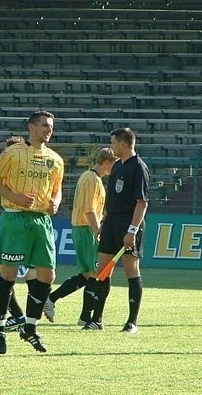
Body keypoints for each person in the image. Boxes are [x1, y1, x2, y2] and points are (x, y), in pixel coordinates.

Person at [0, 110, 64, 354]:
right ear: (31, 127)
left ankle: (29, 328)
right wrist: (16, 197)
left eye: (50, 126)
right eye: (44, 126)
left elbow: (57, 189)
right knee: (8, 274)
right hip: (15, 219)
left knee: (48, 275)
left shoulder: (56, 159)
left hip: (42, 221)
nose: (48, 130)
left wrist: (56, 202)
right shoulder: (12, 152)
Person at [84, 127, 150, 334]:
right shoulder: (117, 167)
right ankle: (97, 319)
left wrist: (132, 230)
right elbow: (112, 199)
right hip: (111, 223)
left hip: (128, 223)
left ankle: (132, 322)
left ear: (122, 143)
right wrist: (103, 222)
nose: (111, 148)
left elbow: (142, 203)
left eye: (113, 143)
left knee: (131, 270)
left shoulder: (138, 167)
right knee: (102, 271)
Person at [43, 147, 117, 326]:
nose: (113, 169)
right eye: (113, 165)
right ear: (106, 162)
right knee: (95, 274)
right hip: (86, 229)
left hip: (83, 229)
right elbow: (89, 209)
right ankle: (73, 311)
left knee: (87, 275)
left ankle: (62, 305)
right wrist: (97, 230)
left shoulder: (91, 178)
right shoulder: (92, 179)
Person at [0, 135, 37, 332]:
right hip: (13, 221)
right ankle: (21, 315)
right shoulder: (12, 168)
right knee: (1, 274)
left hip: (24, 222)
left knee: (16, 272)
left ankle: (28, 315)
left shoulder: (27, 169)